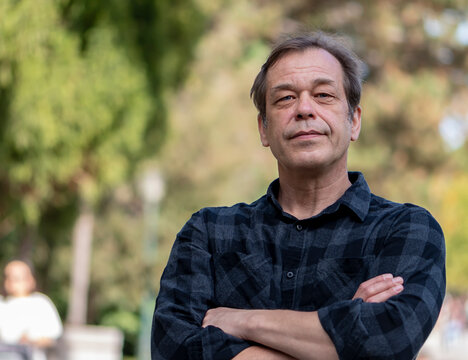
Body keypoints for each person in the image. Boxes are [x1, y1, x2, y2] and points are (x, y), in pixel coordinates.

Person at [151, 31, 446, 360]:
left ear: (354, 122)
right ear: (264, 128)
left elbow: (385, 343)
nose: (305, 109)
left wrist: (240, 320)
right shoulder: (208, 232)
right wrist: (341, 333)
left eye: (323, 95)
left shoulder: (405, 230)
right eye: (285, 98)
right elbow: (173, 348)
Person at [0, 260, 63, 360]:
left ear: (31, 280)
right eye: (9, 277)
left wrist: (31, 340)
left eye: (18, 278)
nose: (13, 282)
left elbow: (53, 339)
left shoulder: (41, 303)